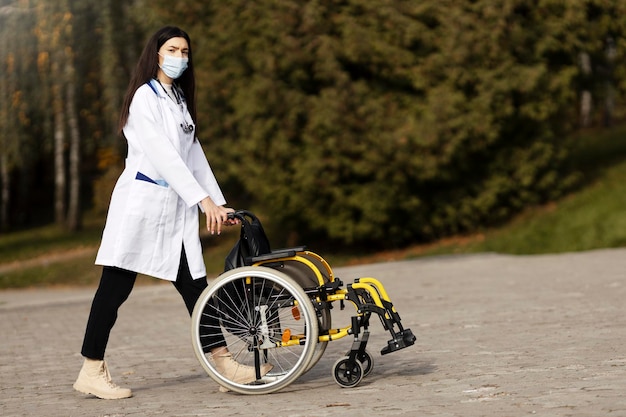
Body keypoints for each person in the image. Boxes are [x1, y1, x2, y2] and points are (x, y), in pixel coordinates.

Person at [73, 26, 271, 400]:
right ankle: (91, 370)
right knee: (114, 289)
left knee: (195, 284)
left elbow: (193, 157)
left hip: (173, 211)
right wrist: (202, 202)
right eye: (172, 49)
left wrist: (217, 201)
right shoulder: (143, 99)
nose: (179, 57)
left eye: (185, 51)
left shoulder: (178, 99)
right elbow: (164, 158)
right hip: (141, 207)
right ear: (156, 53)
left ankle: (222, 362)